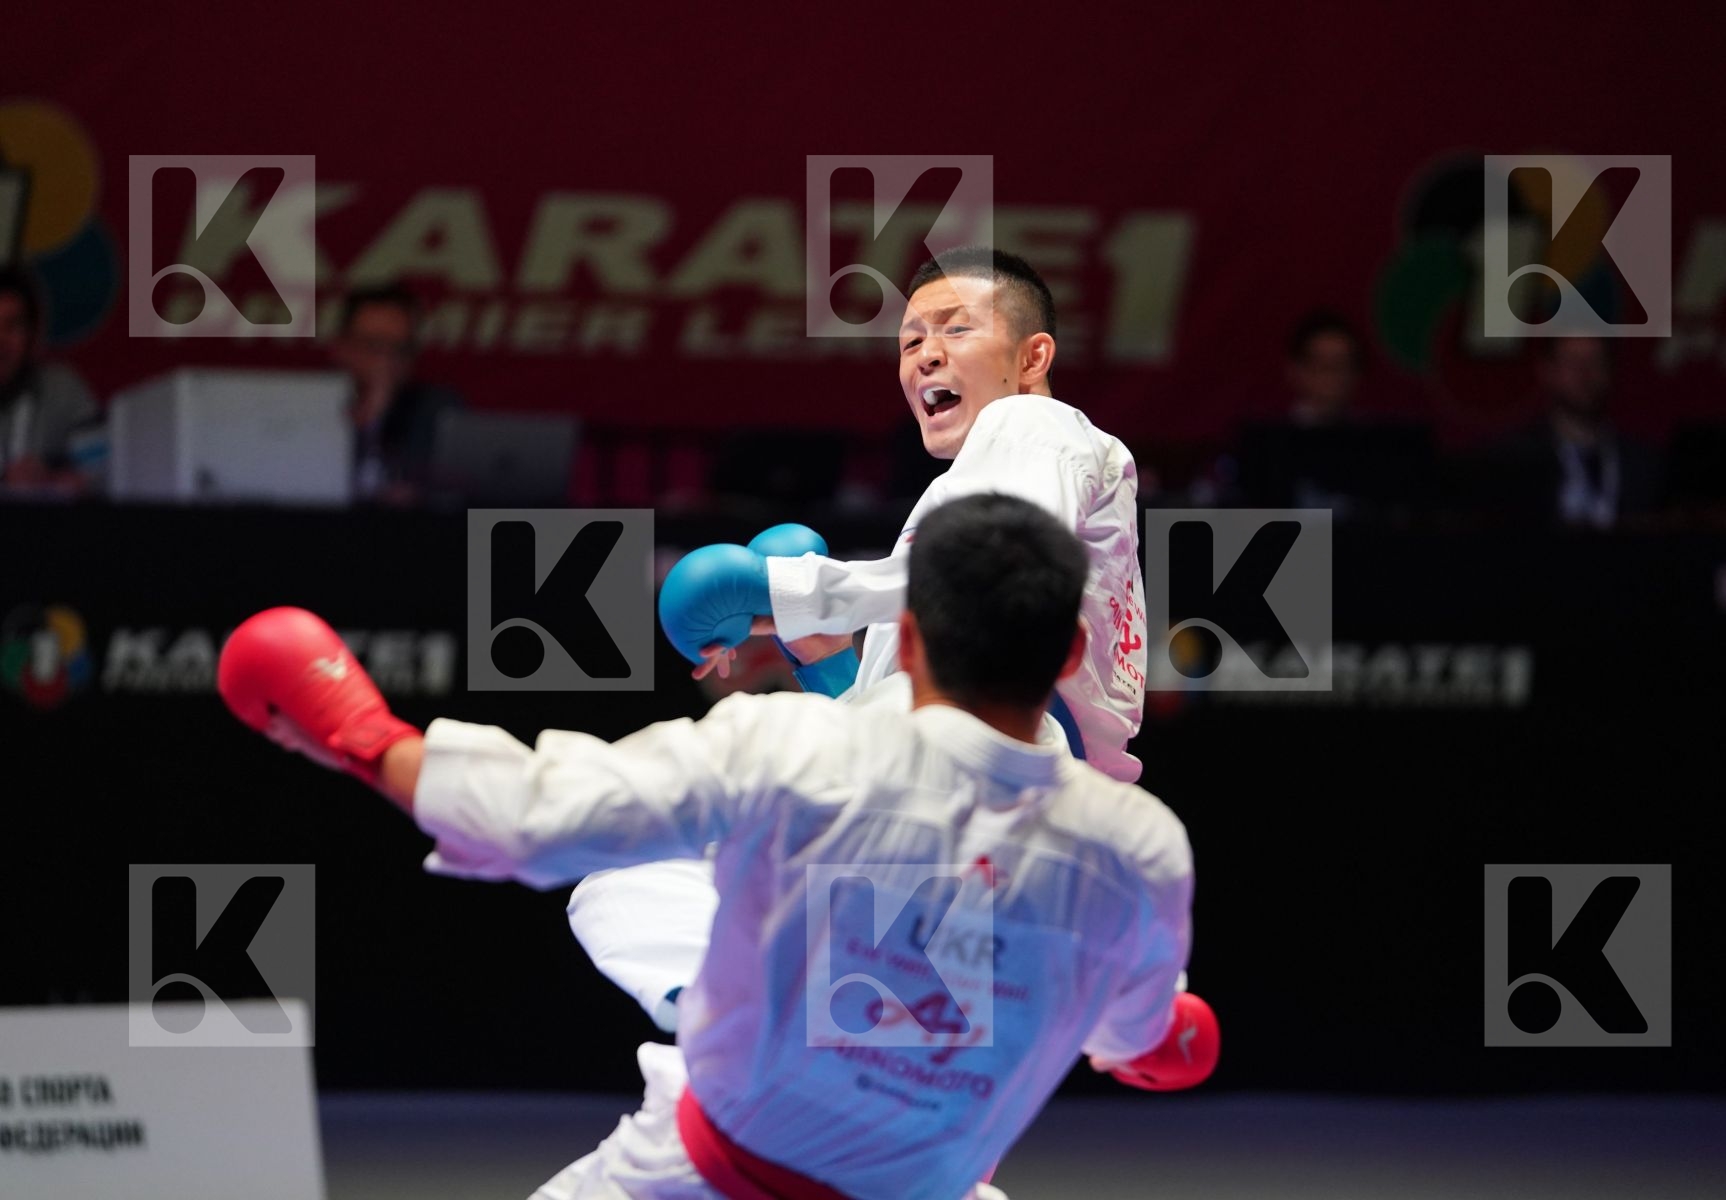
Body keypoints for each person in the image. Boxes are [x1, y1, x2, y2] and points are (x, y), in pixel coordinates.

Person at [218, 494, 1217, 1200]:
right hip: (925, 1185)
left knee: (620, 880)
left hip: (695, 1178)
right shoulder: (1142, 852)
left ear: (905, 639)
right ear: (1072, 653)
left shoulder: (792, 749)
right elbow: (1147, 1046)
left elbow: (530, 816)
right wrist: (1155, 1036)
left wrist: (358, 733)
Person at [577, 248, 1152, 1033]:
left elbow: (993, 560)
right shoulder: (967, 492)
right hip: (974, 807)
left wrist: (778, 592)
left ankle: (731, 1029)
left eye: (955, 330)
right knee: (886, 1064)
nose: (927, 355)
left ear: (1032, 357)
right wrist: (822, 658)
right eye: (911, 341)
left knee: (648, 860)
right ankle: (730, 1034)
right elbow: (914, 668)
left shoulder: (1038, 425)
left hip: (998, 777)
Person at [1474, 335, 1662, 529]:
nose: (1585, 373)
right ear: (1547, 370)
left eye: (1595, 361)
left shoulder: (1644, 464)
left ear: (1611, 369)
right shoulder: (1512, 462)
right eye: (1572, 362)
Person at [327, 282, 462, 505]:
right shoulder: (306, 406)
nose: (386, 360)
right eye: (373, 345)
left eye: (401, 348)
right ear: (341, 347)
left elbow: (452, 492)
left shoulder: (438, 411)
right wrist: (366, 420)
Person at [0, 265, 101, 493]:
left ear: (32, 334)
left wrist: (52, 479)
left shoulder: (62, 389)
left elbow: (103, 466)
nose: (1, 340)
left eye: (12, 325)